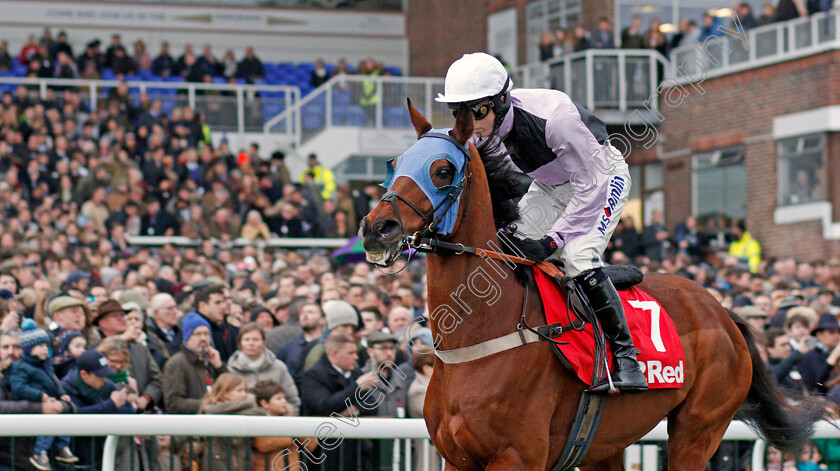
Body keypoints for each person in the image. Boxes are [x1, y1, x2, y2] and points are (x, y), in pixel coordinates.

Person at [434, 52, 646, 392]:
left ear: (502, 100)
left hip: (599, 178)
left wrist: (551, 242)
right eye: (459, 112)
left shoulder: (555, 119)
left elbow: (592, 184)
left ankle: (626, 358)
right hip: (550, 187)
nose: (470, 122)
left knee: (576, 256)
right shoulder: (477, 133)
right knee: (502, 250)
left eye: (479, 110)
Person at [3, 320, 79, 470]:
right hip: (8, 458)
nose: (11, 352)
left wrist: (62, 403)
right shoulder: (17, 372)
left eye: (16, 346)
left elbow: (60, 392)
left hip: (33, 456)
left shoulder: (45, 366)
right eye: (5, 347)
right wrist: (40, 405)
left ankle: (60, 449)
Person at [299, 331, 379, 469]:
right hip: (322, 453)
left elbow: (372, 405)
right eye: (351, 353)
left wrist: (354, 411)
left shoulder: (356, 373)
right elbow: (324, 405)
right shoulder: (313, 375)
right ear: (335, 353)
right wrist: (356, 387)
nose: (356, 357)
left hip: (353, 450)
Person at [60, 349, 136, 468]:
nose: (104, 379)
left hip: (101, 458)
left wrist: (109, 407)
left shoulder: (106, 385)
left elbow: (129, 411)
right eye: (99, 375)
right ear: (84, 374)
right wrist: (111, 405)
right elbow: (76, 417)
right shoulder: (66, 388)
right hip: (75, 461)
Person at [226, 322, 301, 414]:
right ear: (240, 343)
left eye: (256, 340)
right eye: (246, 340)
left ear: (264, 342)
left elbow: (293, 399)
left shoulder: (278, 367)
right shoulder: (231, 370)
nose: (251, 343)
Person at [162, 313, 227, 413]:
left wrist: (219, 366)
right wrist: (208, 404)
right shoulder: (177, 363)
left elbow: (231, 387)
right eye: (197, 334)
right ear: (187, 338)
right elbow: (173, 403)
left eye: (206, 334)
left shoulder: (211, 360)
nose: (203, 338)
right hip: (191, 424)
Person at [198, 373, 264, 471]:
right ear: (225, 393)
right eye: (239, 390)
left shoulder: (248, 409)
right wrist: (246, 404)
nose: (244, 395)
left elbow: (261, 413)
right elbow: (210, 411)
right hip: (217, 463)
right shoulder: (210, 411)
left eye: (245, 391)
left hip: (242, 462)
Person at [251, 379, 318, 471]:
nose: (284, 401)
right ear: (264, 403)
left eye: (284, 398)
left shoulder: (290, 420)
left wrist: (299, 432)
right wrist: (292, 434)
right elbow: (264, 444)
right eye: (278, 398)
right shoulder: (257, 419)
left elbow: (310, 445)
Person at [275, 301, 325, 378]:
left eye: (311, 312)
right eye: (302, 313)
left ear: (322, 320)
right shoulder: (287, 347)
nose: (305, 315)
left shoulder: (328, 345)